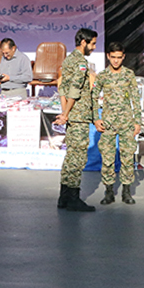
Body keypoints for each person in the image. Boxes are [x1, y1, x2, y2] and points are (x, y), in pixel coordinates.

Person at [54, 28, 98, 212]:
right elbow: (74, 90)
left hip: (72, 115)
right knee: (78, 157)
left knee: (70, 155)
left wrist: (65, 112)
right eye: (92, 43)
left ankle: (64, 196)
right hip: (78, 116)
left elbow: (62, 88)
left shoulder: (68, 60)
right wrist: (67, 113)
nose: (93, 47)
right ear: (83, 42)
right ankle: (73, 198)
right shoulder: (80, 62)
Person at [92, 42, 141, 205]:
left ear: (123, 57)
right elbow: (93, 98)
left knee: (127, 157)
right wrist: (95, 118)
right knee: (107, 158)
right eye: (113, 57)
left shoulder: (129, 74)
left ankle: (127, 192)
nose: (116, 61)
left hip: (126, 122)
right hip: (108, 123)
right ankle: (108, 192)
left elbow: (135, 98)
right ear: (108, 56)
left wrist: (138, 121)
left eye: (119, 57)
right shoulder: (102, 76)